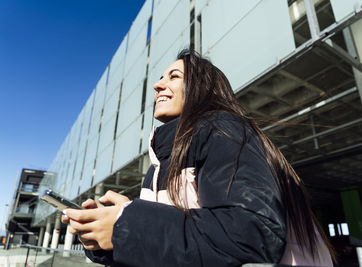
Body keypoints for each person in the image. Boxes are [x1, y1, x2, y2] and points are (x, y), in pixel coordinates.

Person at [62, 49, 335, 266]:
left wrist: (129, 225)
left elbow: (253, 235)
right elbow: (177, 250)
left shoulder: (223, 129)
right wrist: (104, 235)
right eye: (160, 77)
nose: (158, 85)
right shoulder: (158, 164)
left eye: (173, 76)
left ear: (201, 87)